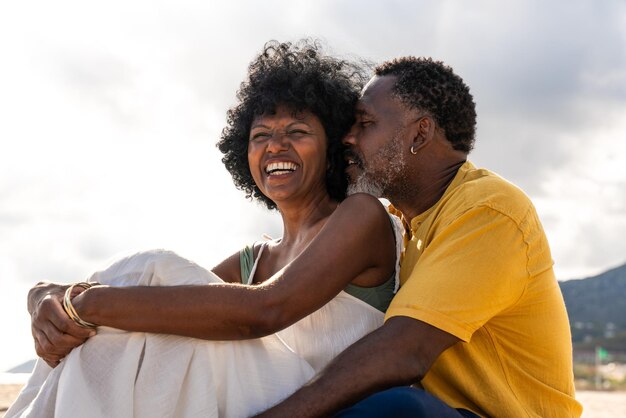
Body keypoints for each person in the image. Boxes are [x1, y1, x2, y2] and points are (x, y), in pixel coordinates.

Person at [8, 40, 403, 418]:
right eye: (260, 135)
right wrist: (43, 293)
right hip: (258, 395)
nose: (276, 146)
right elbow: (163, 309)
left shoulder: (360, 215)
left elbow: (265, 311)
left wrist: (83, 302)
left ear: (334, 147)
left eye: (297, 132)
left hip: (322, 401)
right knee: (118, 336)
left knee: (156, 269)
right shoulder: (253, 261)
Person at [259, 58, 583, 417]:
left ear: (420, 134)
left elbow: (405, 351)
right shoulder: (398, 220)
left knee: (401, 408)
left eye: (365, 123)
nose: (348, 137)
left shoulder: (489, 210)